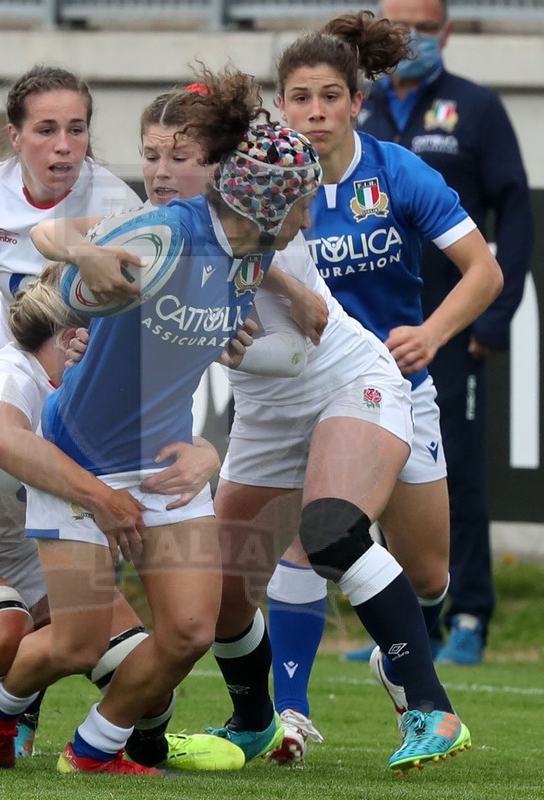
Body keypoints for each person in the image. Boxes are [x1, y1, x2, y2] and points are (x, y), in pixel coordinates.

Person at [0, 65, 323, 777]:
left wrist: (212, 448)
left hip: (167, 470)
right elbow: (41, 305)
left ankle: (91, 751)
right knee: (76, 645)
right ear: (270, 203)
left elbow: (240, 360)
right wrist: (78, 274)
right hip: (80, 460)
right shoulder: (165, 235)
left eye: (180, 156)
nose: (310, 216)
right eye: (303, 202)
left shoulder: (255, 256)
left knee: (191, 630)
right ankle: (4, 704)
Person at [207, 10, 502, 774]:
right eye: (299, 97)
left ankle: (393, 654)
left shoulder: (397, 172)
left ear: (355, 101)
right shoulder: (262, 177)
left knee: (427, 572)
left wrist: (431, 333)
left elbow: (485, 273)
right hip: (296, 393)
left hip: (392, 383)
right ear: (281, 103)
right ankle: (288, 714)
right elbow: (215, 248)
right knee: (311, 535)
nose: (314, 113)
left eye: (329, 96)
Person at [0, 264, 228, 770]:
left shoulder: (89, 389)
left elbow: (159, 439)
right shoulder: (7, 376)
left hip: (30, 559)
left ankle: (143, 747)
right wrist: (104, 498)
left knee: (146, 677)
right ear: (73, 335)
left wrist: (208, 454)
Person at [357, 0, 533, 665]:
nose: (410, 42)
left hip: (449, 327)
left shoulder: (475, 108)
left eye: (423, 30)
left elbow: (513, 214)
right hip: (367, 337)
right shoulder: (356, 109)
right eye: (397, 29)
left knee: (454, 471)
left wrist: (493, 315)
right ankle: (407, 626)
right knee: (374, 480)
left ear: (447, 32)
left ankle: (467, 616)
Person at [0, 64, 141, 390]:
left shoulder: (118, 204)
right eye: (46, 130)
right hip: (11, 381)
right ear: (15, 137)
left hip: (90, 385)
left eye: (76, 130)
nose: (63, 145)